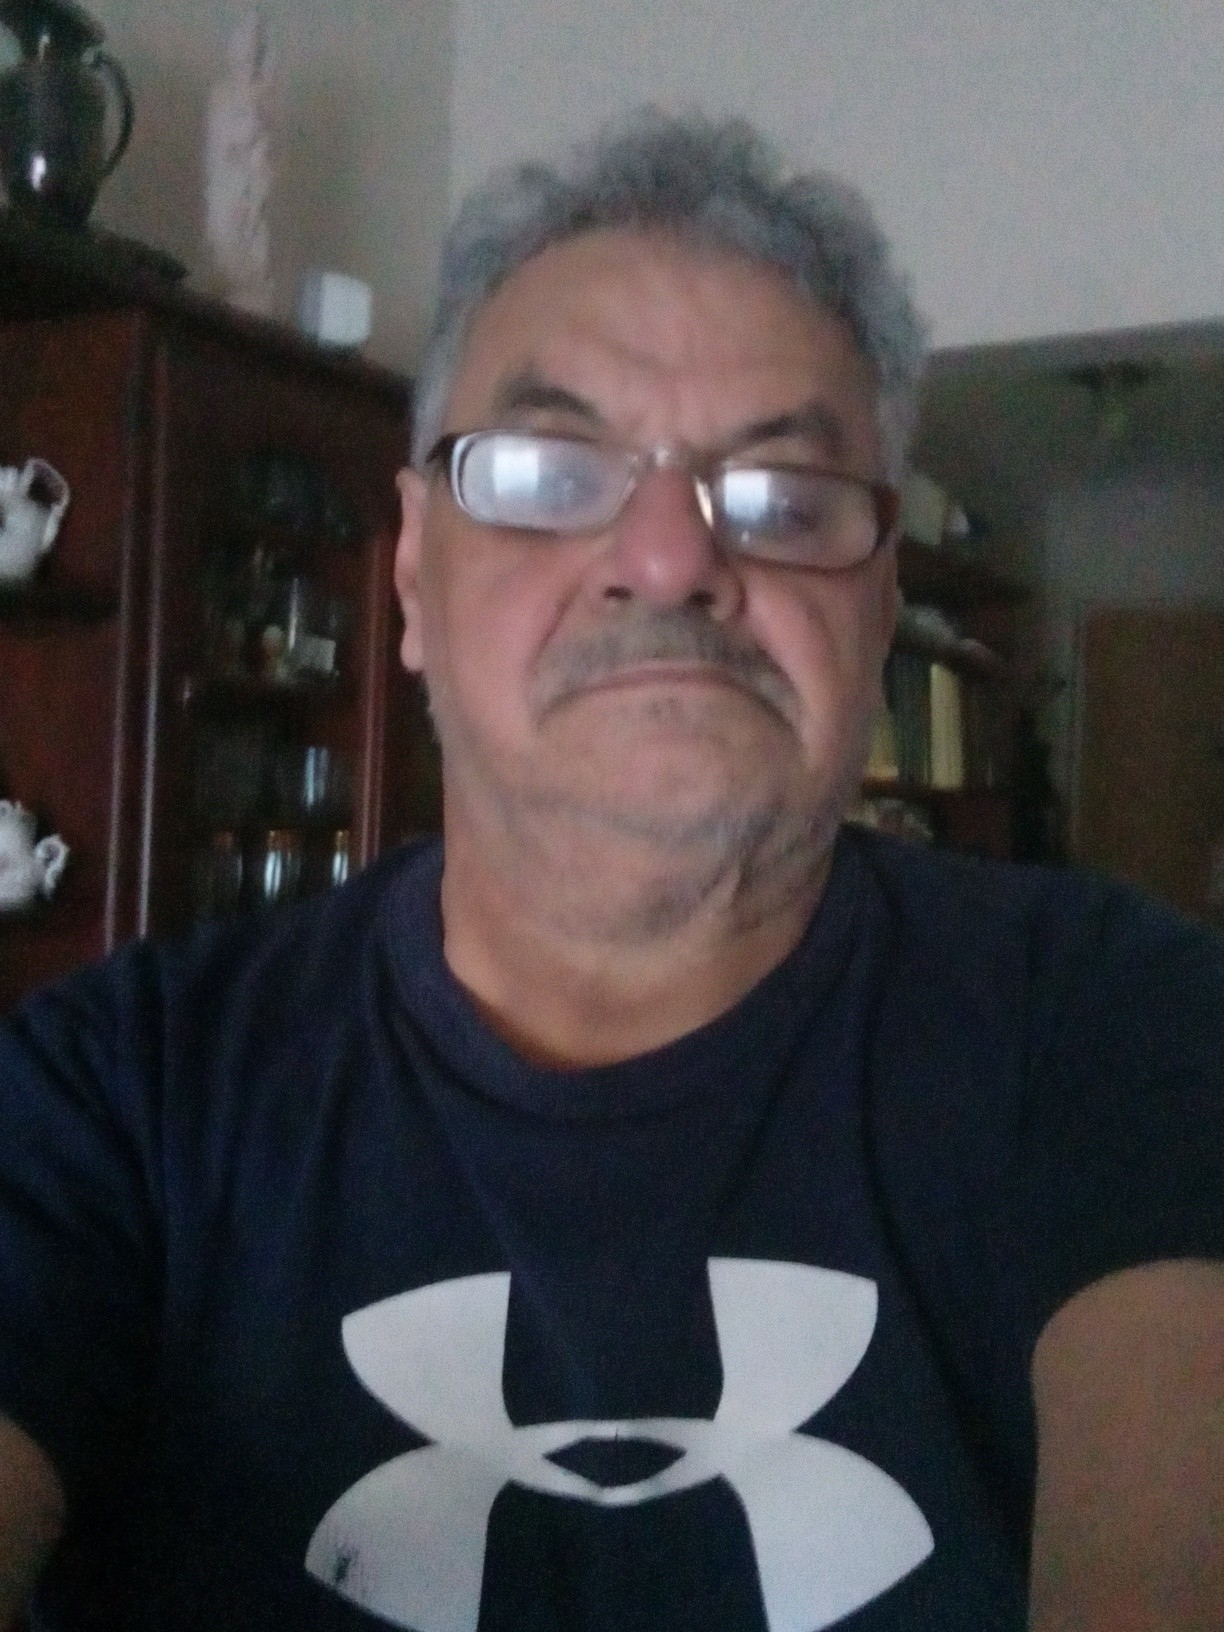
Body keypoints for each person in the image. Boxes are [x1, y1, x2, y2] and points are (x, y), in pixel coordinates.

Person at [0, 111, 1221, 1632]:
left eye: (784, 499)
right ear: (410, 572)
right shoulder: (116, 1095)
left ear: (881, 607)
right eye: (547, 470)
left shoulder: (1119, 1021)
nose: (670, 556)